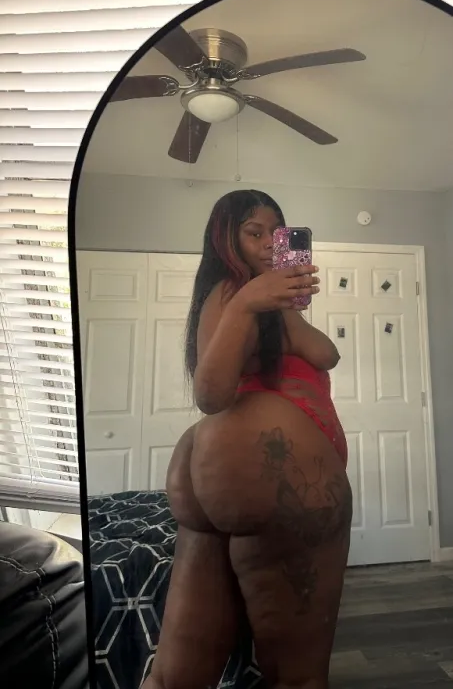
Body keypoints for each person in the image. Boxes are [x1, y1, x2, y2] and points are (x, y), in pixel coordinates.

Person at [145, 190, 352, 689]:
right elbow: (211, 394)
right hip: (265, 458)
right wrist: (249, 303)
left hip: (211, 465)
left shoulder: (261, 301)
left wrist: (284, 306)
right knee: (298, 679)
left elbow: (325, 353)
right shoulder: (234, 293)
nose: (266, 244)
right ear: (225, 239)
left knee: (175, 677)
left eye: (275, 234)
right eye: (253, 232)